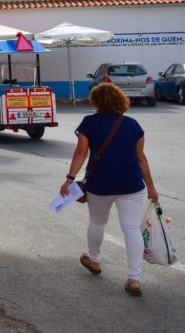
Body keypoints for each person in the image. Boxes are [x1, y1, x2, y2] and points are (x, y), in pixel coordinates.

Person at [59, 83, 158, 297]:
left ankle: (94, 260)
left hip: (100, 183)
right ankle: (134, 279)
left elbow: (81, 152)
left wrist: (69, 179)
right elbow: (141, 158)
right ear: (120, 100)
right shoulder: (133, 125)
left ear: (96, 101)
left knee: (97, 222)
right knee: (131, 228)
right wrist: (151, 187)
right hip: (131, 183)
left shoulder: (89, 123)